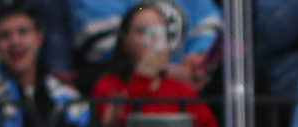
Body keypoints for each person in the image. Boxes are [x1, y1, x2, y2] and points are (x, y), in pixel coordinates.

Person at [88, 0, 226, 127]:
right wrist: (143, 77)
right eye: (141, 32)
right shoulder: (108, 85)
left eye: (158, 32)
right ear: (125, 41)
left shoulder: (182, 91)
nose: (151, 40)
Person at [69, 0, 222, 85]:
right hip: (118, 80)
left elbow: (208, 23)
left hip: (185, 84)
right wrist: (163, 70)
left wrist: (198, 56)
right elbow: (99, 41)